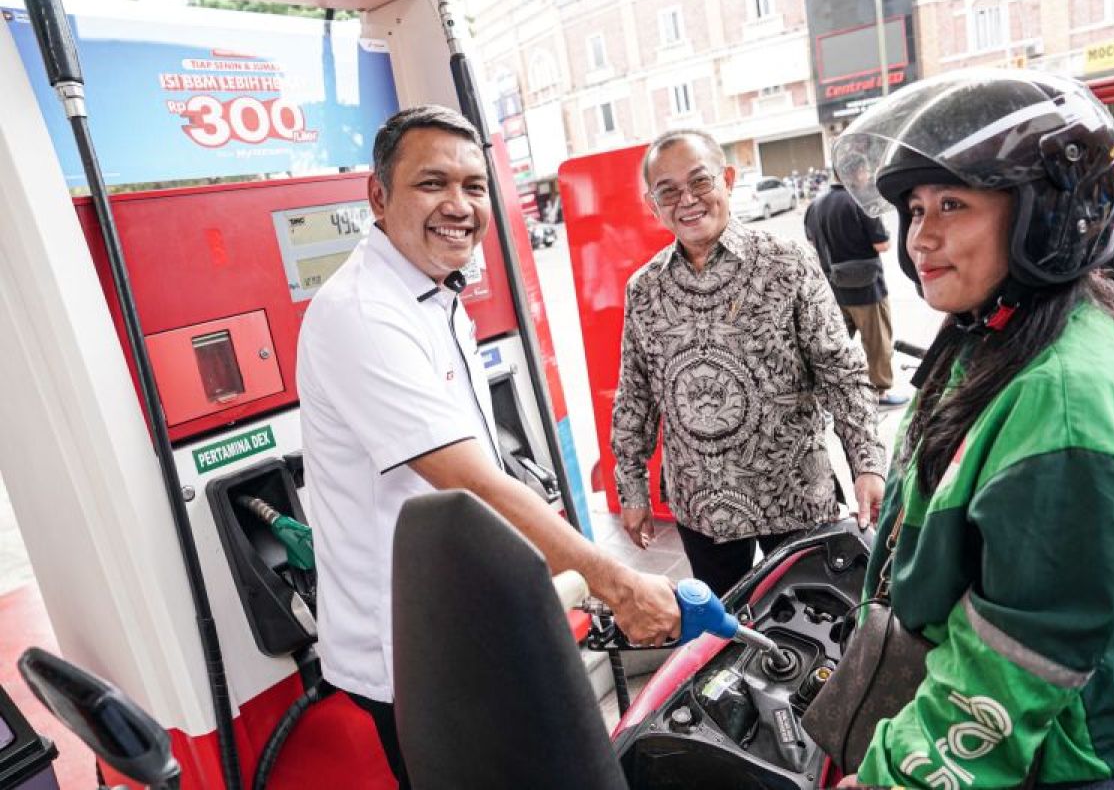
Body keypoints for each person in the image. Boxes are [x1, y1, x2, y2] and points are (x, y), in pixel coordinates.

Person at [296, 105, 680, 786]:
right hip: (411, 649)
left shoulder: (434, 293)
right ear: (378, 197)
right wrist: (616, 584)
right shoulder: (362, 312)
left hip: (466, 617)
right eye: (432, 183)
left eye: (474, 186)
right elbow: (469, 479)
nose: (459, 205)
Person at [830, 69, 1114, 788]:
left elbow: (1013, 665)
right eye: (915, 209)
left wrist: (892, 777)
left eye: (952, 204)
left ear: (1048, 215)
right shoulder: (997, 331)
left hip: (1058, 762)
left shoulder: (1066, 403)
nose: (921, 237)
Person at [611, 127, 887, 599]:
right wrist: (632, 489)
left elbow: (841, 371)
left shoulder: (787, 262)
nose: (687, 200)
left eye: (700, 181)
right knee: (725, 628)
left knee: (817, 627)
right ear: (652, 205)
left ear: (727, 179)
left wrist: (867, 463)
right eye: (668, 191)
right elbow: (635, 397)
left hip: (795, 495)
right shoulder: (645, 290)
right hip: (702, 507)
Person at [804, 154, 910, 408]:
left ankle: (828, 398)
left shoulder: (815, 205)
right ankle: (879, 394)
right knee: (877, 344)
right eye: (865, 171)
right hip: (867, 291)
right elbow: (882, 244)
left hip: (833, 290)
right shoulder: (862, 203)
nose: (867, 176)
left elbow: (811, 243)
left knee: (834, 347)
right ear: (856, 173)